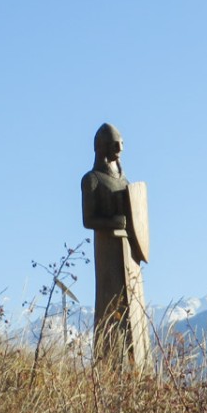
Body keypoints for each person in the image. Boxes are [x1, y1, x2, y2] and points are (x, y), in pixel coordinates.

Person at [80, 122, 151, 370]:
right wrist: (111, 221)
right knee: (112, 310)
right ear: (102, 147)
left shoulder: (125, 181)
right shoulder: (92, 180)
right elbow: (88, 220)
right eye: (114, 144)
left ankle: (140, 366)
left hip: (130, 253)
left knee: (134, 311)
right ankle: (111, 365)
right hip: (109, 254)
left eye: (121, 144)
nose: (119, 149)